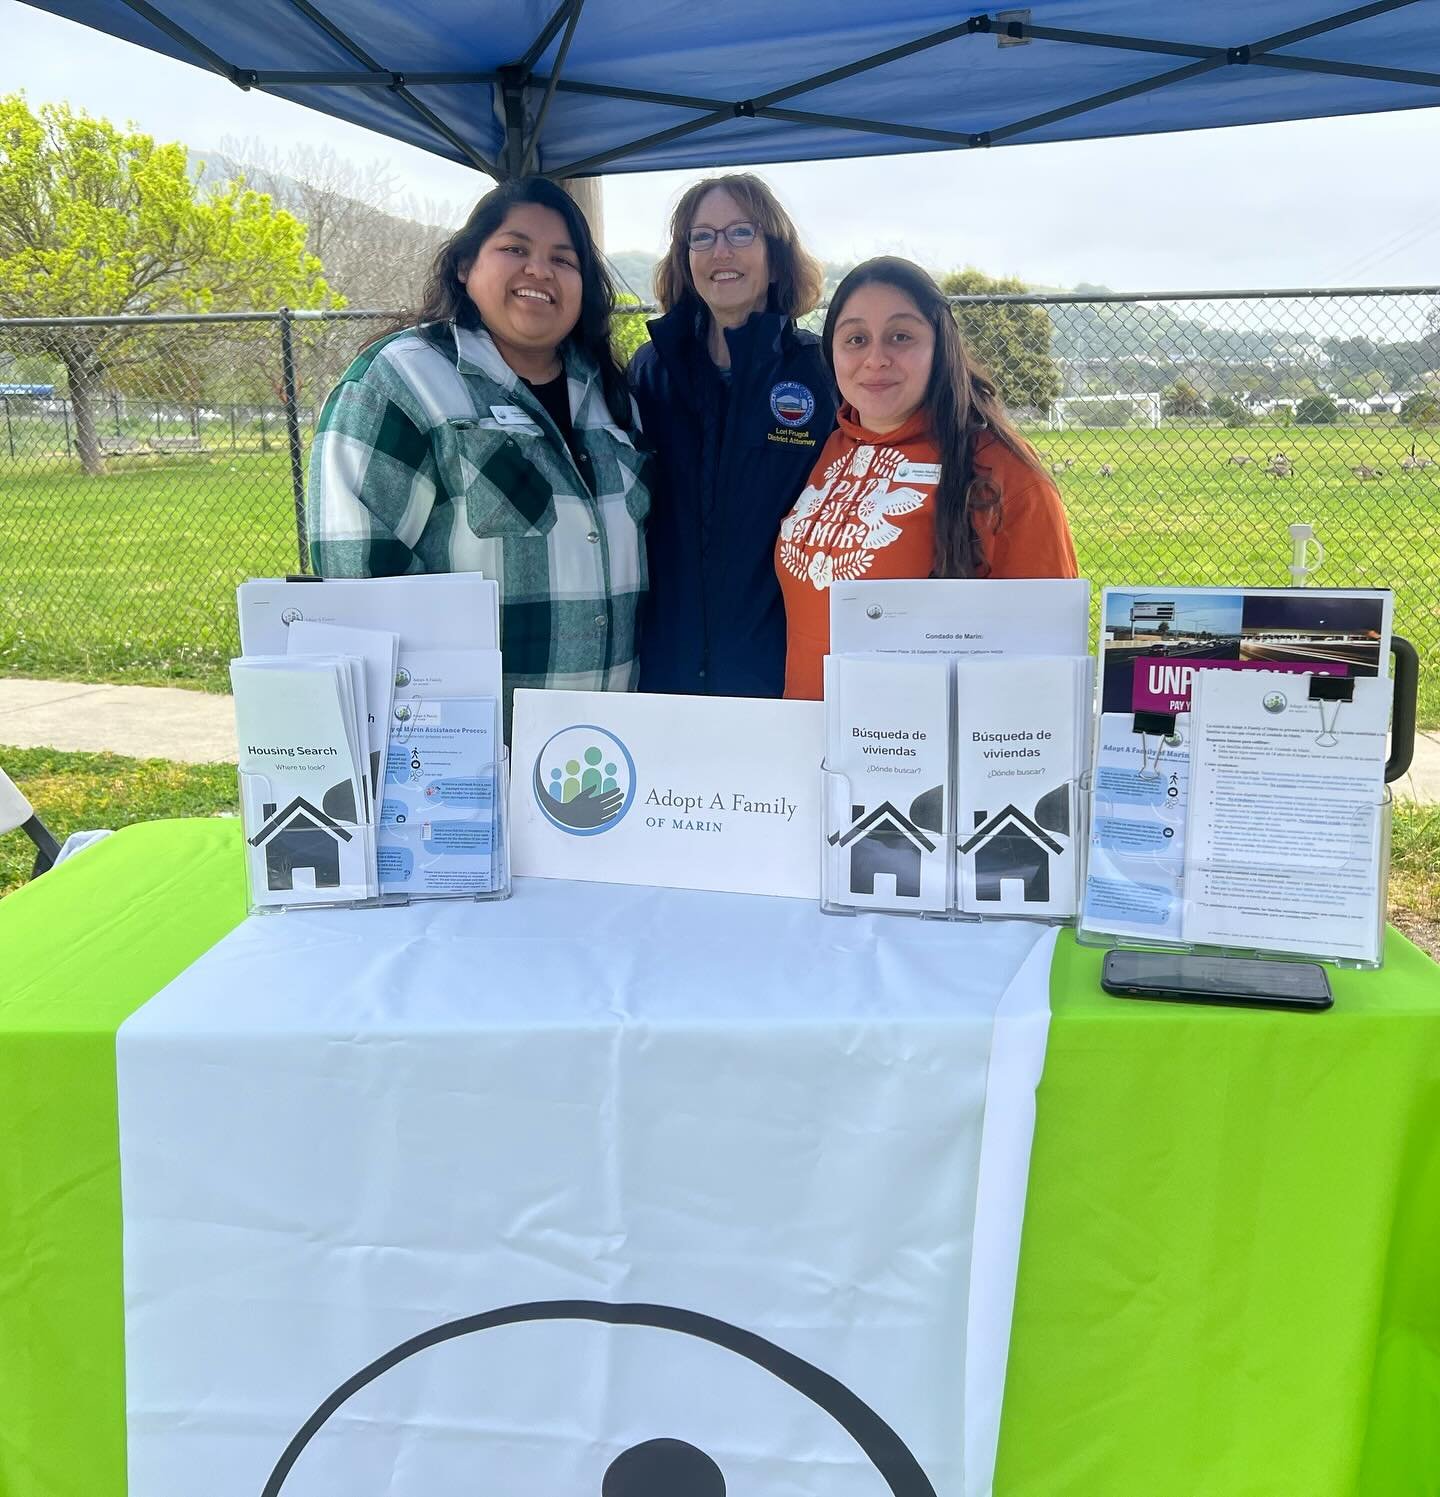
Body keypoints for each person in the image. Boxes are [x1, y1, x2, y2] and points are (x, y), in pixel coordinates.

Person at [307, 176, 651, 710]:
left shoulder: (609, 395)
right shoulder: (403, 383)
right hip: (470, 760)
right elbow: (357, 586)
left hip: (607, 746)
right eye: (515, 248)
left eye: (564, 260)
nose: (539, 270)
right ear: (465, 266)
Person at [776, 257, 1078, 699]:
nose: (876, 358)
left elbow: (1049, 660)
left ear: (940, 347)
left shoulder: (1004, 473)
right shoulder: (834, 448)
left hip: (918, 756)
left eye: (901, 336)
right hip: (808, 745)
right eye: (855, 339)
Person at [629, 173, 836, 698]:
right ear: (685, 257)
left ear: (775, 253)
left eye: (741, 233)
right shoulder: (650, 371)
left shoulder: (821, 371)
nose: (721, 250)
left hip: (776, 674)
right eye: (703, 236)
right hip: (664, 672)